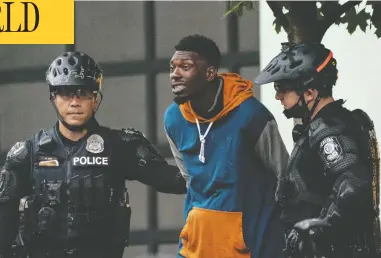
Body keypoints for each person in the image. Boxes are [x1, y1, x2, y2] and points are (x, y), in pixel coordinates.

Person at [0, 51, 187, 258]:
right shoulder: (28, 153)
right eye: (66, 93)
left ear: (96, 98)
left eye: (84, 93)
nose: (75, 102)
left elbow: (178, 180)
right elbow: (3, 218)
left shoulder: (121, 146)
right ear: (53, 97)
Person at [164, 34, 289, 258]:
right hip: (197, 245)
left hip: (251, 246)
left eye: (185, 66)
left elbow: (283, 176)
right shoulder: (173, 118)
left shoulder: (252, 115)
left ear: (210, 73)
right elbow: (189, 179)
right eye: (172, 67)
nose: (175, 74)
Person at [253, 42, 381, 258]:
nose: (278, 97)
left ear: (310, 93)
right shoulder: (331, 124)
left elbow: (353, 188)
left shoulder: (329, 129)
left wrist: (314, 233)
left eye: (282, 89)